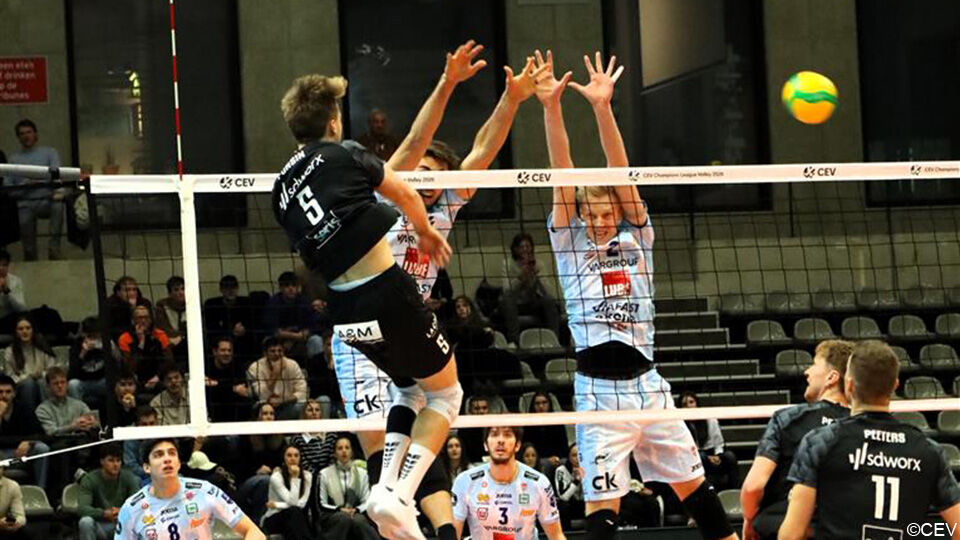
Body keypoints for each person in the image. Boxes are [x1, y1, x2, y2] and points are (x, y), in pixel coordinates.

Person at [272, 40, 495, 537]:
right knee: (447, 395)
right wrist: (425, 230)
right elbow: (406, 183)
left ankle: (386, 489)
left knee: (408, 387)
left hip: (342, 309)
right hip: (387, 291)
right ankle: (399, 491)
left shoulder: (280, 190)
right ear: (333, 121)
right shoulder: (346, 154)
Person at [537, 50, 736, 540]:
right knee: (603, 505)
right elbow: (562, 169)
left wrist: (603, 108)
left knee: (696, 489)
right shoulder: (570, 243)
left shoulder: (637, 238)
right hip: (597, 393)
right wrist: (551, 107)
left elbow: (620, 169)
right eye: (592, 215)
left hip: (648, 386)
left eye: (608, 214)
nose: (601, 221)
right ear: (581, 216)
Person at [779, 340, 960, 540]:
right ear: (895, 385)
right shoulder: (929, 450)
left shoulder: (820, 442)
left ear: (849, 385)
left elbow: (791, 535)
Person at [740, 340, 854, 540]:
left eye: (814, 364)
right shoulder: (861, 426)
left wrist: (749, 520)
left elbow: (753, 486)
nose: (806, 372)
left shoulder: (788, 418)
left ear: (831, 377)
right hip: (841, 529)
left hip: (781, 524)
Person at [116, 438, 265, 540]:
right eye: (158, 455)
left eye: (172, 453)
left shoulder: (205, 491)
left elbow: (255, 532)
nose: (167, 459)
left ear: (178, 463)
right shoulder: (131, 508)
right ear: (146, 467)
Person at [452, 426, 565, 540]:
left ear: (517, 445)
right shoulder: (465, 481)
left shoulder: (539, 483)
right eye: (494, 434)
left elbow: (556, 536)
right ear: (485, 445)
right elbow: (452, 534)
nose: (500, 440)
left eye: (507, 435)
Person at [7, 120, 63, 260]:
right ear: (18, 137)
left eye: (29, 132)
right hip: (24, 204)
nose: (26, 136)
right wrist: (26, 185)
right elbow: (9, 188)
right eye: (22, 134)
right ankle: (30, 258)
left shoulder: (50, 153)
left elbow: (56, 177)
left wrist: (41, 183)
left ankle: (54, 249)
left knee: (58, 206)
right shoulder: (13, 159)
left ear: (35, 134)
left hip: (46, 200)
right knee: (29, 248)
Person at [500, 232, 562, 344]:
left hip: (533, 302)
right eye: (521, 247)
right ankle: (514, 341)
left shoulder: (538, 264)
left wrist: (537, 275)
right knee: (506, 300)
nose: (525, 250)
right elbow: (506, 290)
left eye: (527, 246)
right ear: (515, 249)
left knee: (549, 300)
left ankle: (554, 339)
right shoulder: (508, 264)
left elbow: (548, 291)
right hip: (516, 304)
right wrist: (521, 278)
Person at [316, 436, 377, 540]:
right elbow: (322, 504)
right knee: (343, 518)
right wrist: (340, 510)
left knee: (358, 521)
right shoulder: (324, 474)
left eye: (347, 448)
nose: (344, 451)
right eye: (340, 448)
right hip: (332, 514)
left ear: (351, 452)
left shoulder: (362, 473)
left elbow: (366, 501)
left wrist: (356, 510)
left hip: (356, 513)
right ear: (335, 453)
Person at [76, 443, 140, 540]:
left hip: (122, 524)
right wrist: (105, 513)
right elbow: (82, 509)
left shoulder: (129, 477)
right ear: (102, 461)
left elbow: (139, 504)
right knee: (85, 522)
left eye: (118, 460)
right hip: (100, 525)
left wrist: (122, 511)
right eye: (111, 460)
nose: (115, 465)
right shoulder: (90, 479)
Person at [236, 403, 285, 524]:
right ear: (257, 417)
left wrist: (279, 468)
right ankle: (257, 523)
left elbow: (282, 461)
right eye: (265, 413)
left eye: (271, 414)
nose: (269, 417)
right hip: (247, 480)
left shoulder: (279, 438)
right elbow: (239, 466)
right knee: (265, 481)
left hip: (273, 479)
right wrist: (256, 470)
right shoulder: (246, 437)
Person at [680, 392, 738, 490]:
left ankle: (735, 490)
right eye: (685, 405)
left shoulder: (709, 419)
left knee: (730, 456)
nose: (689, 406)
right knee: (701, 457)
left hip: (712, 452)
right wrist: (706, 457)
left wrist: (717, 455)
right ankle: (706, 491)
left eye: (691, 402)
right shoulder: (680, 425)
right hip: (694, 456)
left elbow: (718, 443)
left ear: (697, 404)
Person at [0, 375, 49, 490]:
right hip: (2, 454)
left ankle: (40, 491)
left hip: (22, 453)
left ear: (14, 393)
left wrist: (29, 441)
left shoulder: (23, 408)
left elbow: (43, 435)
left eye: (8, 392)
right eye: (0, 392)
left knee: (42, 448)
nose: (4, 396)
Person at [1, 316, 58, 412]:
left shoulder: (43, 347)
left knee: (42, 382)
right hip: (21, 385)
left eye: (28, 328)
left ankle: (48, 413)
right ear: (16, 332)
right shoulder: (10, 351)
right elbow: (10, 377)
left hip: (42, 382)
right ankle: (30, 416)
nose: (25, 331)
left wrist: (41, 374)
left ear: (33, 330)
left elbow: (52, 370)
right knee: (29, 383)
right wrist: (27, 377)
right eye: (20, 329)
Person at [246, 337, 308, 420]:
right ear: (265, 354)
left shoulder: (292, 365)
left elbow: (303, 393)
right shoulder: (255, 367)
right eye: (272, 351)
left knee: (302, 407)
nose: (277, 354)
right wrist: (275, 374)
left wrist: (282, 400)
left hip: (288, 406)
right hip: (265, 408)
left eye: (280, 351)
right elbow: (262, 396)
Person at [260, 444, 313, 540]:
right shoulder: (276, 477)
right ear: (284, 458)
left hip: (295, 516)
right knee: (294, 513)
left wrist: (277, 504)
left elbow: (302, 504)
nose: (293, 458)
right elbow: (293, 503)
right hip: (274, 517)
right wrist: (295, 478)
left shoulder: (308, 476)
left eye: (296, 455)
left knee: (295, 518)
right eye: (289, 455)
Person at [117, 306, 172, 392]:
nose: (143, 321)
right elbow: (129, 368)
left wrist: (158, 377)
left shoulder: (160, 335)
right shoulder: (125, 338)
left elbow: (169, 361)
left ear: (150, 320)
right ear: (133, 321)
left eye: (146, 318)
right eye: (139, 318)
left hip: (157, 377)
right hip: (135, 380)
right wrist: (141, 342)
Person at [203, 275, 254, 362]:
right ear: (221, 290)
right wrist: (231, 333)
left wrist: (244, 329)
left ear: (237, 288)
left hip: (242, 345)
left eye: (233, 287)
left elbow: (253, 325)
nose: (230, 291)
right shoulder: (212, 305)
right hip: (219, 343)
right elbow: (211, 329)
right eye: (226, 287)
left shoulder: (246, 304)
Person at [35, 366, 96, 437]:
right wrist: (72, 427)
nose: (60, 386)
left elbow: (93, 423)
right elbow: (50, 432)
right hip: (58, 443)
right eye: (56, 383)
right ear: (48, 387)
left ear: (67, 385)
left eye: (63, 382)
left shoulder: (80, 405)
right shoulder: (42, 410)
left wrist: (91, 423)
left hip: (82, 441)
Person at [204, 337, 251, 422]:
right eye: (223, 350)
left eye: (229, 350)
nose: (227, 353)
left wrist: (217, 385)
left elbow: (242, 392)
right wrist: (232, 389)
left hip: (235, 415)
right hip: (212, 415)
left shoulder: (238, 368)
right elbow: (209, 394)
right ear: (215, 352)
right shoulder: (206, 367)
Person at [288, 399, 338, 476]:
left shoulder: (331, 435)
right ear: (304, 414)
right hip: (307, 476)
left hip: (329, 476)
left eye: (317, 410)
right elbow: (301, 463)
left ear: (321, 413)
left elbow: (333, 459)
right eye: (310, 410)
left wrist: (325, 475)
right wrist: (317, 476)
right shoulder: (297, 438)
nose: (314, 413)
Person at [68, 316, 108, 409]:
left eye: (96, 336)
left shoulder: (106, 343)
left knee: (112, 382)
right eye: (90, 336)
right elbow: (72, 374)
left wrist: (105, 349)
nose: (93, 340)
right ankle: (80, 413)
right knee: (73, 384)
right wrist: (82, 353)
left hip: (102, 382)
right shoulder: (76, 346)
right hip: (84, 383)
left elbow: (118, 363)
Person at [523, 392, 569, 467]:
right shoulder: (528, 424)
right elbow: (527, 449)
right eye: (537, 403)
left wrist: (556, 458)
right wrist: (546, 460)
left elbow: (564, 448)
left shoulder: (558, 423)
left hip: (558, 460)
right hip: (537, 461)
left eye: (544, 402)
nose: (541, 406)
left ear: (549, 404)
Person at [121, 406, 157, 484]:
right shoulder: (129, 438)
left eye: (152, 423)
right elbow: (130, 466)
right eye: (144, 424)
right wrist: (151, 471)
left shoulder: (162, 435)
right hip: (138, 476)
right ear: (136, 425)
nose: (148, 428)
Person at [153, 276, 187, 358]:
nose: (181, 292)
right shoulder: (162, 306)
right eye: (176, 290)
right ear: (169, 293)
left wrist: (182, 337)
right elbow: (162, 328)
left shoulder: (194, 305)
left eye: (183, 289)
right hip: (168, 342)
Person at [554, 443, 584, 530]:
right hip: (570, 505)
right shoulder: (561, 470)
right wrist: (576, 480)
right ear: (569, 457)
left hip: (585, 504)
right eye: (574, 455)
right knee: (563, 505)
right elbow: (564, 497)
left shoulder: (590, 468)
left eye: (580, 454)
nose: (577, 458)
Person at [0, 250, 27, 335]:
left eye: (4, 265)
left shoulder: (15, 281)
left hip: (12, 319)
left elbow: (22, 308)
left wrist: (7, 291)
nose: (1, 268)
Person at [0, 468, 30, 540]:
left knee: (26, 532)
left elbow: (20, 516)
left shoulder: (12, 486)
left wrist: (16, 523)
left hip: (2, 528)